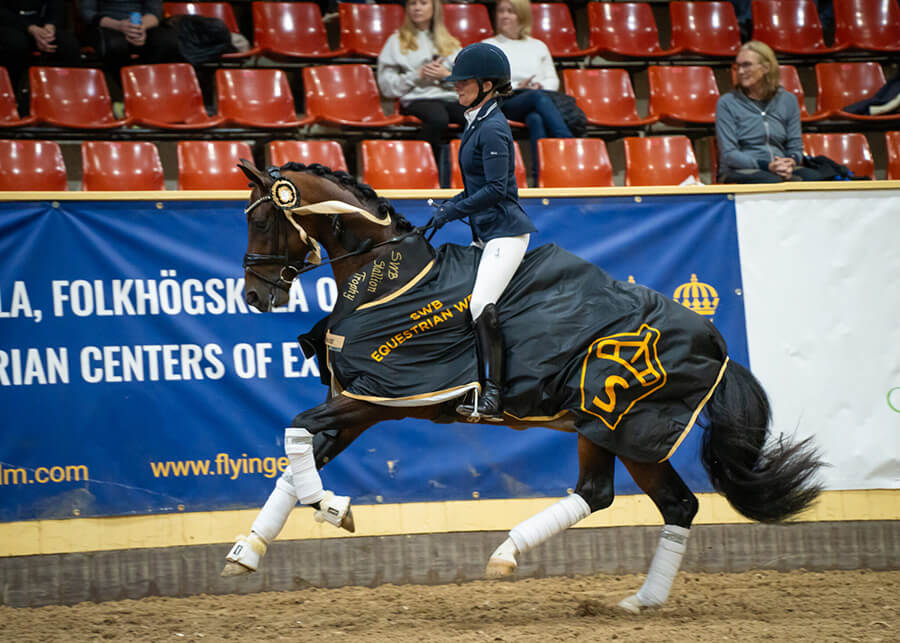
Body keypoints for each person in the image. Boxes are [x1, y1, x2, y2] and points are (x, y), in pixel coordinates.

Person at [431, 42, 537, 420]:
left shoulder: (492, 128)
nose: (456, 86)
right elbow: (477, 187)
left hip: (505, 233)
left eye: (464, 81)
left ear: (487, 85)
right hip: (486, 232)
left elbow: (495, 190)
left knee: (479, 305)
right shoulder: (476, 120)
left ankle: (493, 396)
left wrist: (451, 212)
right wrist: (448, 206)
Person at [482, 0, 572, 182]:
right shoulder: (488, 46)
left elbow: (552, 79)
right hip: (503, 102)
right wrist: (516, 87)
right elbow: (486, 84)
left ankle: (541, 179)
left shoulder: (538, 46)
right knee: (537, 98)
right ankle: (568, 143)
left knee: (536, 118)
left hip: (534, 100)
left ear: (522, 16)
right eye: (501, 11)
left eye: (510, 11)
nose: (504, 16)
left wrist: (540, 85)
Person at [715, 41, 820, 183]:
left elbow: (795, 145)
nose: (740, 72)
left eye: (746, 65)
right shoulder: (727, 103)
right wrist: (768, 166)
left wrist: (790, 162)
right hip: (740, 169)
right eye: (738, 66)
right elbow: (729, 154)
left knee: (815, 178)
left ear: (766, 68)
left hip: (779, 167)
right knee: (772, 181)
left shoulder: (788, 100)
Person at [377, 0, 465, 168]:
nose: (417, 8)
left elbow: (466, 82)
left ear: (434, 8)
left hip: (449, 97)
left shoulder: (451, 43)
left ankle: (468, 171)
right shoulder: (395, 41)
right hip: (417, 99)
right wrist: (417, 76)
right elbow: (387, 87)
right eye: (412, 4)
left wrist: (446, 76)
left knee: (476, 116)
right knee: (438, 118)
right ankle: (422, 168)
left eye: (423, 3)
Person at [80, 0, 181, 99]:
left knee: (167, 41)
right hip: (107, 24)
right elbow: (87, 12)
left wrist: (139, 28)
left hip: (143, 24)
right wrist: (119, 25)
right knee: (115, 44)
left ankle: (149, 89)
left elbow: (155, 12)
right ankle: (124, 93)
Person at [0, 0, 81, 109]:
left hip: (42, 24)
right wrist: (30, 28)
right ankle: (11, 97)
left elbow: (57, 6)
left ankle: (66, 98)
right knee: (15, 44)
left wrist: (50, 26)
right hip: (9, 24)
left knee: (68, 44)